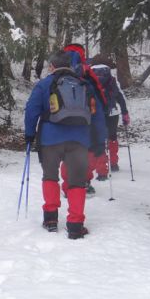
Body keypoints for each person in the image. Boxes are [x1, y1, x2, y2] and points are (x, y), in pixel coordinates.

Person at [24, 51, 107, 239]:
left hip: (50, 139)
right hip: (79, 141)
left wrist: (29, 135)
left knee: (50, 177)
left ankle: (51, 219)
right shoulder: (84, 84)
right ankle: (76, 226)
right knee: (77, 182)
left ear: (52, 66)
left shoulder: (44, 85)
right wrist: (99, 141)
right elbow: (97, 114)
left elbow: (31, 110)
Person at [60, 43, 108, 195]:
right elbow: (99, 108)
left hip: (63, 126)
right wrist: (101, 137)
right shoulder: (87, 76)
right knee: (88, 153)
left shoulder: (57, 76)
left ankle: (68, 184)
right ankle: (84, 182)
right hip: (86, 125)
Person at [90, 58, 130, 177]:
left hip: (96, 114)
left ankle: (100, 167)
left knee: (98, 140)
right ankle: (113, 163)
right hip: (112, 113)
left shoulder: (90, 78)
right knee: (112, 137)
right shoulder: (111, 79)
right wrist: (125, 113)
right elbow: (120, 97)